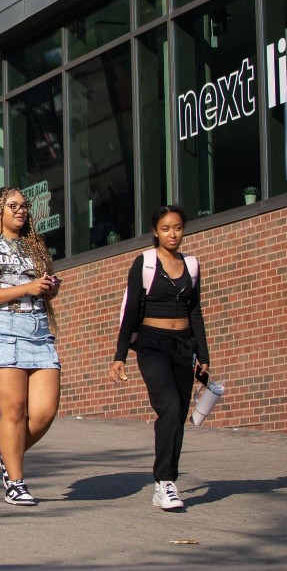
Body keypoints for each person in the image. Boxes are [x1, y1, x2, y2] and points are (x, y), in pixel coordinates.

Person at [0, 185, 61, 506]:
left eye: (24, 205)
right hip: (0, 332)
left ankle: (7, 453)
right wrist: (28, 287)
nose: (21, 210)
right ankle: (16, 482)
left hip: (37, 333)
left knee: (45, 413)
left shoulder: (35, 249)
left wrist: (47, 287)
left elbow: (38, 288)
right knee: (15, 410)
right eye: (13, 206)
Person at [109, 204, 211, 512]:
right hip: (152, 345)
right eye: (166, 228)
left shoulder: (191, 265)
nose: (172, 233)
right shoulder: (146, 263)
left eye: (177, 227)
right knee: (169, 405)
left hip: (183, 345)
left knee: (177, 413)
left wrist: (203, 354)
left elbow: (195, 310)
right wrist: (120, 355)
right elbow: (131, 312)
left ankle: (164, 482)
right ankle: (165, 482)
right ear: (155, 231)